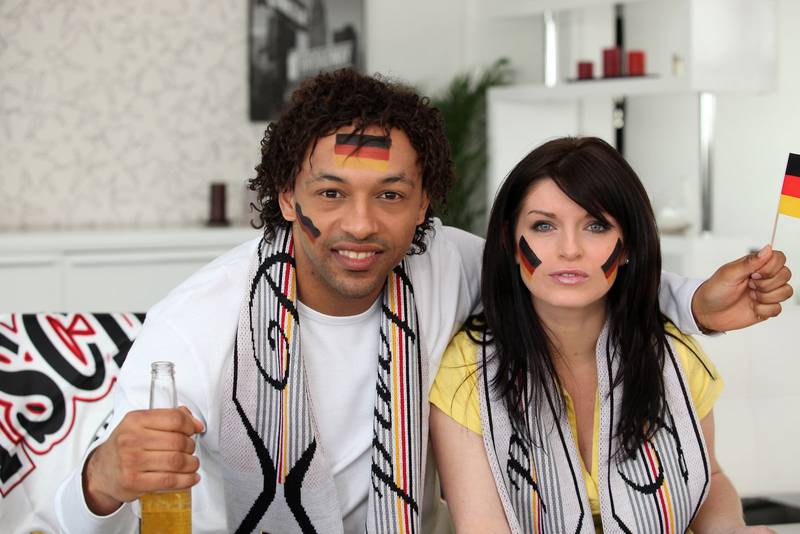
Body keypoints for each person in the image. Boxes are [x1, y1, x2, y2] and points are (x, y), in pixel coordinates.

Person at [54, 71, 791, 534]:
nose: (361, 225)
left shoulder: (449, 263)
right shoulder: (198, 322)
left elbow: (572, 275)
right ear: (285, 197)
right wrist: (102, 479)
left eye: (391, 195)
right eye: (330, 193)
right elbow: (61, 511)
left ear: (424, 204)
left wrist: (694, 303)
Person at [430, 137, 786, 534]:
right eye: (543, 225)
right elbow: (481, 526)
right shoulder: (465, 370)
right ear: (509, 242)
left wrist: (731, 530)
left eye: (596, 225)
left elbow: (709, 481)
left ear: (629, 244)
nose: (569, 249)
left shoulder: (673, 356)